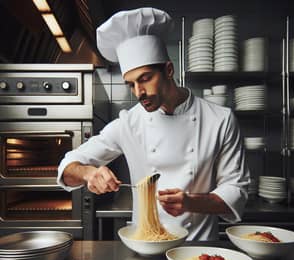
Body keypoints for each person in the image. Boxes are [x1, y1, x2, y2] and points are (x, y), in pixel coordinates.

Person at [57, 7, 250, 240]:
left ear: (169, 70)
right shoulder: (129, 123)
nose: (139, 92)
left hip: (197, 249)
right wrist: (89, 173)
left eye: (145, 78)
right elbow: (67, 168)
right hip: (146, 244)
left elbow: (236, 190)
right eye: (131, 84)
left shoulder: (220, 120)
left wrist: (191, 202)